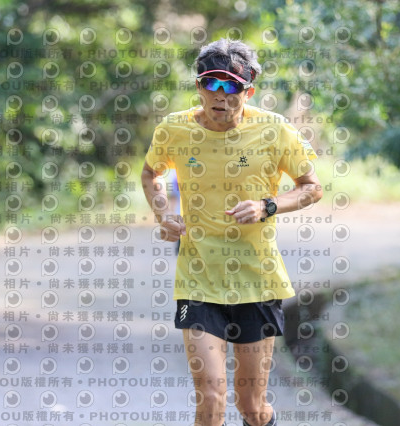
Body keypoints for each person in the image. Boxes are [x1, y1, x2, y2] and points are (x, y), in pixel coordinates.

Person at [141, 38, 322, 426]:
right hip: (198, 280)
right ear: (198, 86)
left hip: (257, 280)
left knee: (251, 406)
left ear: (248, 91)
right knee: (210, 395)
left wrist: (267, 206)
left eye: (231, 86)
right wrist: (163, 214)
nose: (220, 95)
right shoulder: (174, 129)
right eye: (211, 83)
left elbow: (312, 188)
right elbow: (151, 173)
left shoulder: (275, 130)